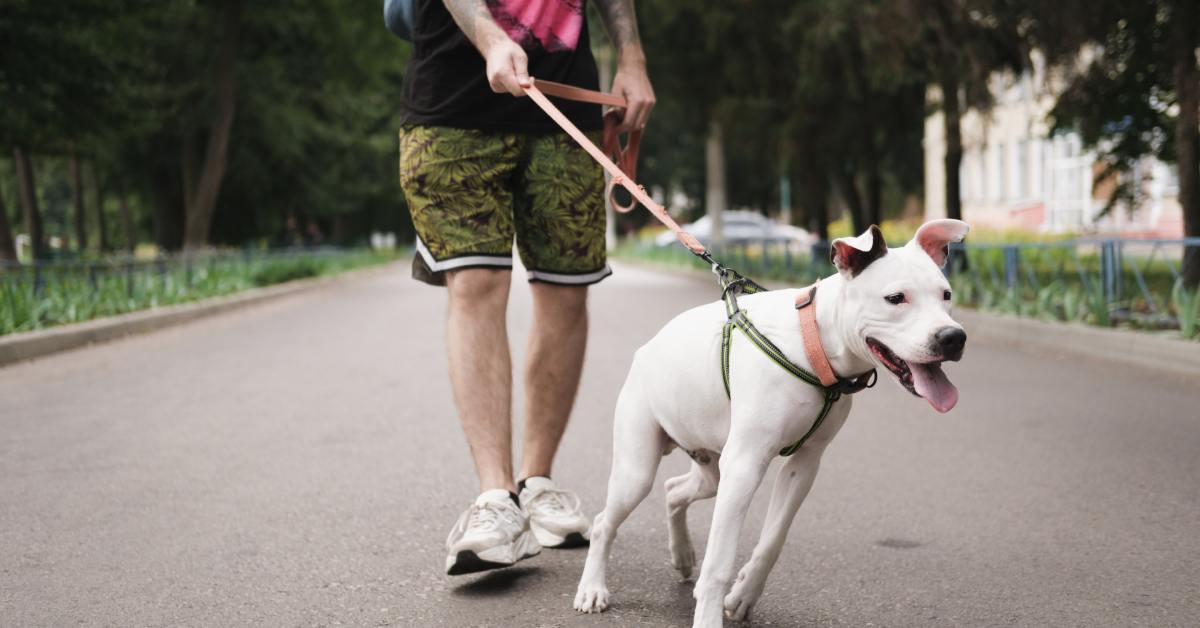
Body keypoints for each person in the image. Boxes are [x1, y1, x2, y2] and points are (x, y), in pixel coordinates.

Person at [397, 0, 655, 575]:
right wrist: (488, 38)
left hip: (567, 105)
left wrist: (631, 57)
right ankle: (495, 499)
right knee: (477, 284)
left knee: (567, 290)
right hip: (450, 104)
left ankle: (536, 484)